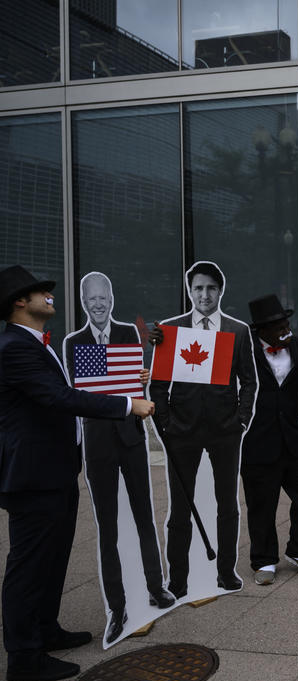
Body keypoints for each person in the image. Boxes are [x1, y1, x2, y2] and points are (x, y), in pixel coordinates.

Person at [0, 265, 155, 681]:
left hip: (55, 470)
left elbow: (72, 389)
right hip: (33, 476)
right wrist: (127, 404)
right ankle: (24, 655)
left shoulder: (37, 344)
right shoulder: (14, 345)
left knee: (52, 559)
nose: (50, 296)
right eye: (41, 292)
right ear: (20, 301)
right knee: (29, 564)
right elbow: (59, 397)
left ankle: (45, 629)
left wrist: (133, 380)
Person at [63, 272, 174, 643]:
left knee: (145, 515)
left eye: (103, 297)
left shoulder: (128, 333)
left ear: (111, 299)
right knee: (107, 527)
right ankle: (117, 606)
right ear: (83, 301)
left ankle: (156, 588)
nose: (98, 304)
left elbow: (126, 382)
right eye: (91, 298)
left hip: (130, 438)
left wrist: (141, 376)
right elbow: (86, 393)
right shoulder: (74, 342)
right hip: (97, 443)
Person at [148, 261, 257, 597]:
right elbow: (157, 385)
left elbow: (249, 381)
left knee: (228, 504)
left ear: (220, 291)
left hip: (225, 430)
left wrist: (241, 419)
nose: (204, 294)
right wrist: (165, 424)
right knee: (180, 509)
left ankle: (226, 571)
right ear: (189, 291)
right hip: (181, 431)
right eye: (198, 288)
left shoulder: (237, 331)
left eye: (211, 288)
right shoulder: (172, 329)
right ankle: (178, 580)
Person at [241, 294, 298, 586]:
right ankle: (263, 560)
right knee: (261, 503)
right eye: (277, 326)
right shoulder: (244, 349)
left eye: (286, 322)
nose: (285, 329)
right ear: (260, 330)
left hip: (294, 436)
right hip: (257, 440)